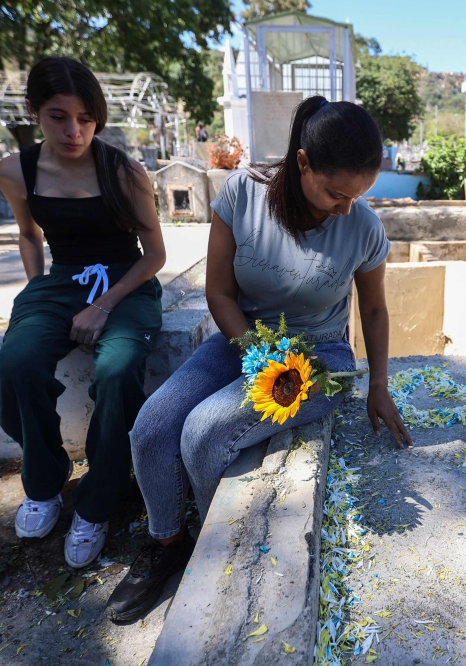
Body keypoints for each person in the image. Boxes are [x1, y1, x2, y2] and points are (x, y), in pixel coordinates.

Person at [105, 96, 414, 621]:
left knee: (204, 431)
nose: (345, 208)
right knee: (153, 426)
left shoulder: (361, 224)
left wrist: (378, 384)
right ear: (302, 163)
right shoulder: (242, 195)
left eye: (357, 195)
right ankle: (167, 541)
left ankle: (211, 546)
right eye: (336, 193)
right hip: (241, 338)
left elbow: (377, 309)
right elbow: (220, 294)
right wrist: (258, 349)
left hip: (320, 359)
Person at [0, 57, 166, 568]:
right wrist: (37, 296)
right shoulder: (16, 170)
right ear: (33, 112)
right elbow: (29, 235)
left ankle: (96, 503)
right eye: (59, 116)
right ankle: (44, 483)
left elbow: (154, 257)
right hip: (61, 279)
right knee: (18, 363)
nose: (74, 131)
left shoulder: (123, 171)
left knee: (116, 370)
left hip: (127, 283)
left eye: (86, 119)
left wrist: (103, 304)